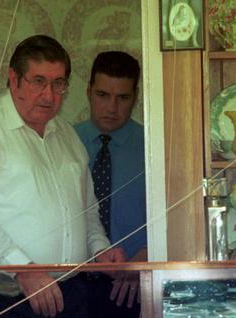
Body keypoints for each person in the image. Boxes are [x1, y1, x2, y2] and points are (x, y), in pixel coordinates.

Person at [0, 35, 124, 317]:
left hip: (66, 293)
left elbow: (86, 209)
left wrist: (100, 248)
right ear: (14, 79)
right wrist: (22, 270)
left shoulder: (67, 135)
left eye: (58, 84)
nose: (49, 95)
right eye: (38, 81)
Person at [74, 51, 147, 317]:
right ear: (88, 92)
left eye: (123, 98)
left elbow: (177, 212)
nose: (112, 108)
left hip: (130, 286)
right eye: (103, 95)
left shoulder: (153, 147)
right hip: (71, 283)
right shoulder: (65, 143)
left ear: (135, 97)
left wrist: (148, 256)